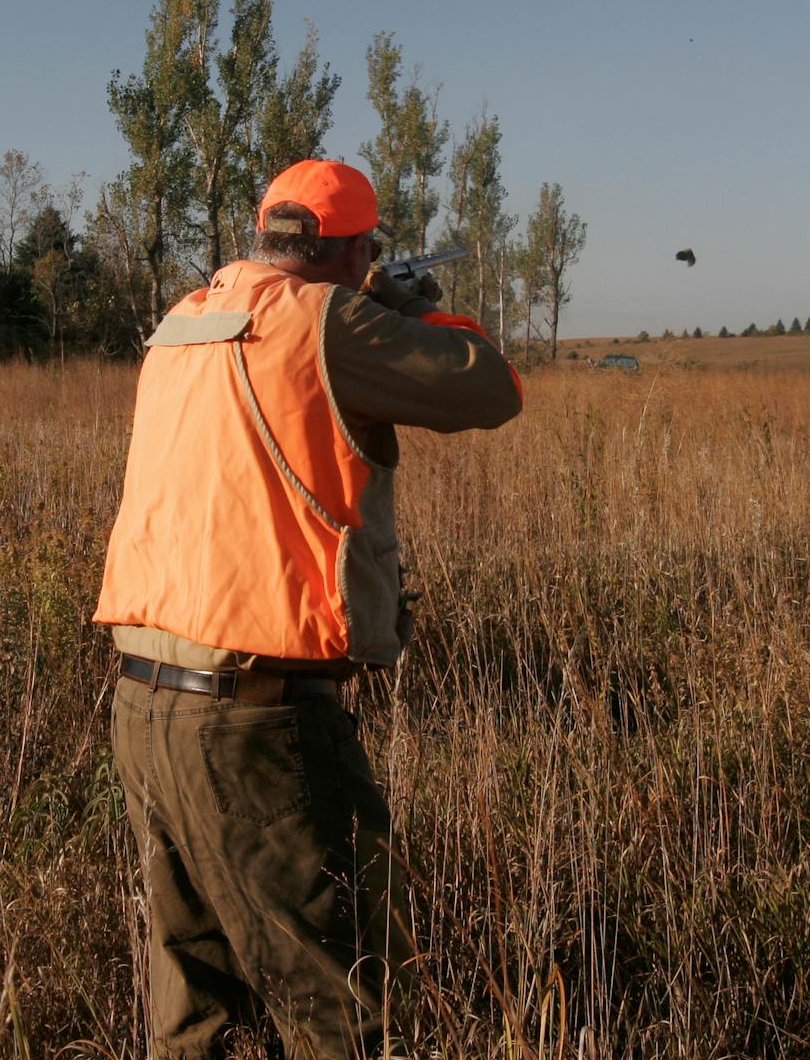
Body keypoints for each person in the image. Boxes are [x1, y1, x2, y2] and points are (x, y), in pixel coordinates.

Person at [95, 159, 523, 1057]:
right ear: (354, 248)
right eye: (367, 249)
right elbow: (489, 387)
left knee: (193, 1013)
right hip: (260, 725)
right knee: (355, 1007)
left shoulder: (184, 320)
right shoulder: (331, 317)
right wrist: (413, 308)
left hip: (141, 705)